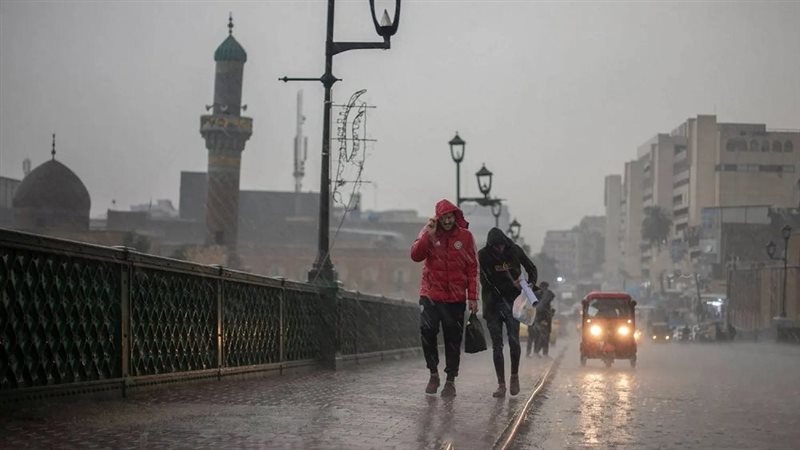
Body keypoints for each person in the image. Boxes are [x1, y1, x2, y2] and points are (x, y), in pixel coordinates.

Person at [410, 199, 478, 398]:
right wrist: (428, 235)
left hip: (455, 298)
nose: (447, 221)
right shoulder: (429, 233)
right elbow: (415, 255)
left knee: (453, 339)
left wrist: (473, 296)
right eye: (444, 218)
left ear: (455, 217)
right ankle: (433, 373)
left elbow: (472, 267)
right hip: (431, 294)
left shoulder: (465, 237)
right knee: (427, 332)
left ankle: (450, 380)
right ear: (438, 218)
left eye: (450, 217)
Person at [479, 227, 538, 398]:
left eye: (501, 246)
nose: (499, 249)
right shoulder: (483, 255)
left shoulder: (514, 250)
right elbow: (486, 280)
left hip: (513, 304)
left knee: (514, 341)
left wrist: (530, 284)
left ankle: (514, 376)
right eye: (496, 247)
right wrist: (510, 285)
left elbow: (531, 268)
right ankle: (501, 384)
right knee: (497, 345)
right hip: (492, 304)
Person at [528, 281, 555, 357]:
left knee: (541, 335)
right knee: (543, 336)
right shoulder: (546, 294)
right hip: (543, 317)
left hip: (541, 317)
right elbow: (548, 298)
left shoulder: (537, 294)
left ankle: (540, 352)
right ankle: (539, 352)